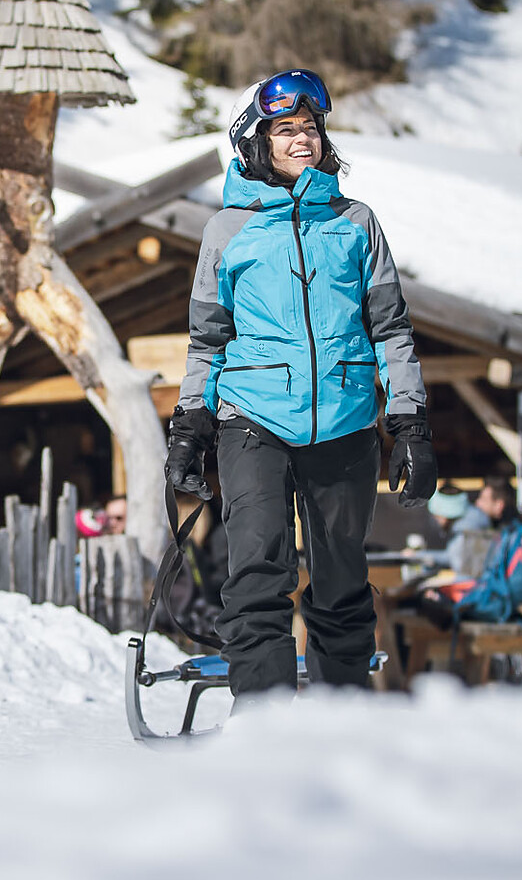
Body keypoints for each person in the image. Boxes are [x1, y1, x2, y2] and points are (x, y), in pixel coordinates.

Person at [165, 69, 437, 698]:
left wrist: (412, 426)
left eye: (310, 127)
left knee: (341, 574)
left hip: (343, 419)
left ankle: (341, 711)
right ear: (255, 142)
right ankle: (262, 716)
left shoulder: (355, 222)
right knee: (258, 563)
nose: (302, 139)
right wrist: (188, 428)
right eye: (285, 129)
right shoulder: (226, 232)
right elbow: (208, 339)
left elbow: (391, 329)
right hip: (251, 420)